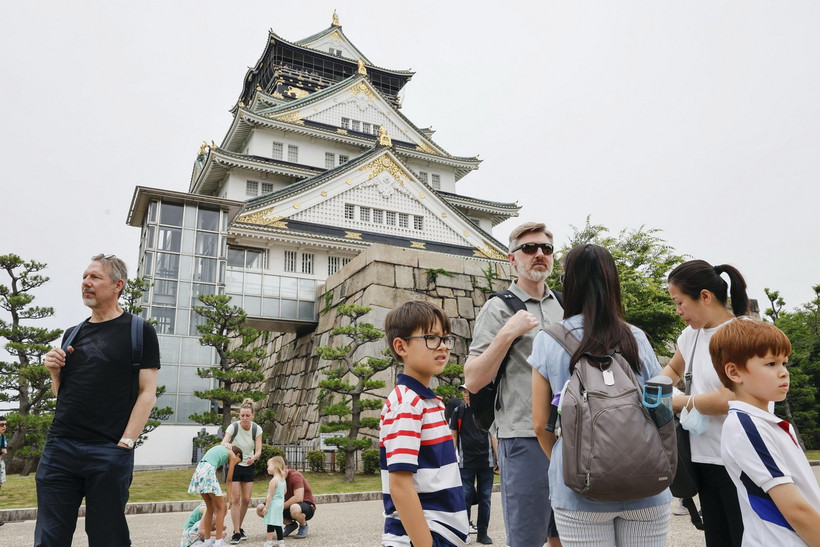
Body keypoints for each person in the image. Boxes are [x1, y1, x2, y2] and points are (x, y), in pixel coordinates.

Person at [529, 244, 671, 545]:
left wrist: (570, 459)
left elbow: (541, 424)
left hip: (580, 492)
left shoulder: (549, 340)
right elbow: (660, 409)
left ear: (570, 283)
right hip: (646, 485)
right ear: (613, 281)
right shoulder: (636, 338)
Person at [35, 254, 160, 546]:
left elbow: (147, 392)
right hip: (60, 449)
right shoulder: (72, 334)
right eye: (84, 277)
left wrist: (126, 444)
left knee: (108, 538)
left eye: (94, 277)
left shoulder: (139, 331)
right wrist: (55, 373)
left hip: (109, 450)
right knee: (49, 539)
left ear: (118, 285)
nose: (86, 283)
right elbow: (63, 395)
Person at [463, 221, 563, 547]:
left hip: (570, 436)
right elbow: (474, 378)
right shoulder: (499, 307)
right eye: (529, 248)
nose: (539, 255)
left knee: (566, 534)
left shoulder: (565, 305)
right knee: (527, 539)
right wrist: (508, 332)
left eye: (546, 249)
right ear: (512, 259)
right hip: (523, 437)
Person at [660, 259, 750, 547]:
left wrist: (677, 402)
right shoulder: (690, 336)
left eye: (680, 302)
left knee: (744, 538)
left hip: (740, 460)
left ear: (705, 297)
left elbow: (731, 398)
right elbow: (673, 370)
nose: (678, 311)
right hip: (703, 458)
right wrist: (655, 390)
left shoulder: (743, 333)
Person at [710, 318, 820, 545]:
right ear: (734, 372)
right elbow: (795, 509)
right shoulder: (747, 426)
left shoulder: (762, 422)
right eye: (771, 364)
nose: (783, 373)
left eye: (784, 363)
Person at [380, 300, 469, 546]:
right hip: (423, 535)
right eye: (431, 338)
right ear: (401, 346)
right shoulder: (408, 404)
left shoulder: (429, 402)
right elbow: (399, 484)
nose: (442, 346)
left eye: (446, 338)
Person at [449, 386, 495, 545]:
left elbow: (493, 434)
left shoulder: (486, 410)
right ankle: (464, 532)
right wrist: (450, 460)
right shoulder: (458, 411)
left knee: (485, 499)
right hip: (465, 462)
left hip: (486, 461)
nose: (466, 395)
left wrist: (498, 460)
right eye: (465, 392)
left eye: (470, 392)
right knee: (465, 497)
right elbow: (453, 437)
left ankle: (482, 533)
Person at [222, 398, 263, 543]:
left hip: (249, 465)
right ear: (239, 415)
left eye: (247, 415)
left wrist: (254, 457)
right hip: (235, 465)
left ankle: (238, 527)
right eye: (242, 415)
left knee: (246, 499)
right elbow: (224, 442)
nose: (244, 418)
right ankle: (237, 532)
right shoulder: (233, 427)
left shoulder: (256, 429)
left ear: (252, 416)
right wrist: (230, 447)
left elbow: (258, 450)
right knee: (236, 499)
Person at [188, 443, 243, 547]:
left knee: (210, 508)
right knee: (221, 508)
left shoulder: (223, 448)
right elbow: (229, 479)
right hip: (208, 470)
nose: (235, 464)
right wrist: (228, 500)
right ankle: (219, 542)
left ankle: (207, 541)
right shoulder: (232, 455)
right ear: (238, 455)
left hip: (199, 470)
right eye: (237, 462)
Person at [281, 457, 316, 539]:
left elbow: (298, 498)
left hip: (306, 505)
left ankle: (303, 525)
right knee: (262, 509)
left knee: (294, 508)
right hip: (288, 505)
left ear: (285, 468)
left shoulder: (295, 476)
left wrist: (279, 507)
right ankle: (290, 524)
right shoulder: (276, 479)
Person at [257, 456, 287, 547]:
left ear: (275, 466)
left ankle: (269, 542)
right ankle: (281, 541)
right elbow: (285, 491)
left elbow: (270, 496)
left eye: (269, 465)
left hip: (273, 504)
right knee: (277, 522)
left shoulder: (273, 481)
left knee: (270, 522)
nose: (267, 468)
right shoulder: (282, 479)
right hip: (280, 503)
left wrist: (266, 507)